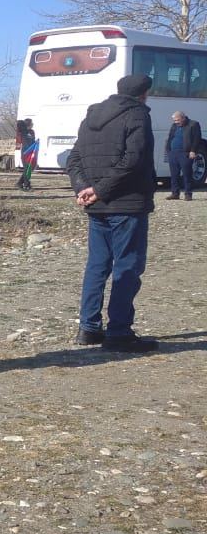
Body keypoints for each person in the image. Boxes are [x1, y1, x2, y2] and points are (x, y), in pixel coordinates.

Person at [66, 73, 157, 352]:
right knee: (127, 265)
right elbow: (133, 160)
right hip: (127, 204)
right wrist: (99, 190)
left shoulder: (91, 116)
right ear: (143, 94)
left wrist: (85, 188)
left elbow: (74, 158)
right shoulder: (137, 115)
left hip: (97, 205)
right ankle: (118, 331)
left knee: (97, 266)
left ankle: (89, 327)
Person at [165, 110, 202, 200]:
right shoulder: (174, 126)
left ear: (183, 118)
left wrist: (193, 151)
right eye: (174, 121)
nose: (176, 122)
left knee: (187, 174)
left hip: (185, 153)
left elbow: (197, 139)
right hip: (173, 153)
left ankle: (188, 194)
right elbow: (170, 137)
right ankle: (175, 193)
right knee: (174, 174)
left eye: (177, 120)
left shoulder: (193, 124)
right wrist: (168, 150)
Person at [15, 119, 38, 190]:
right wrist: (17, 148)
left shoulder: (32, 132)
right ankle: (26, 184)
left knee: (29, 169)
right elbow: (18, 142)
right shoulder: (22, 132)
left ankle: (19, 183)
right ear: (28, 124)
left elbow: (33, 141)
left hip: (31, 152)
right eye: (31, 123)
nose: (33, 124)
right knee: (27, 169)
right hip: (25, 152)